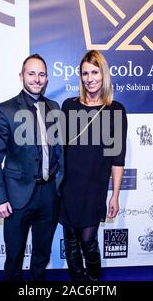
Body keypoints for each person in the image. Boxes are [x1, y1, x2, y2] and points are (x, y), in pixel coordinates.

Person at [0, 54, 64, 281]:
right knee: (15, 256)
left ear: (47, 78)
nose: (36, 79)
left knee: (41, 255)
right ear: (22, 76)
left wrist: (60, 186)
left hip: (49, 195)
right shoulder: (5, 110)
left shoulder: (54, 107)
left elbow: (58, 151)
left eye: (41, 75)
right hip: (17, 197)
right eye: (31, 74)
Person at [59, 50, 127, 281]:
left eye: (94, 72)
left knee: (88, 241)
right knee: (70, 241)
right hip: (68, 187)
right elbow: (60, 149)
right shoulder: (68, 106)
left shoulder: (115, 110)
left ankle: (95, 281)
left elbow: (117, 158)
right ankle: (79, 283)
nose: (90, 78)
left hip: (93, 189)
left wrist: (115, 195)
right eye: (85, 73)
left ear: (103, 74)